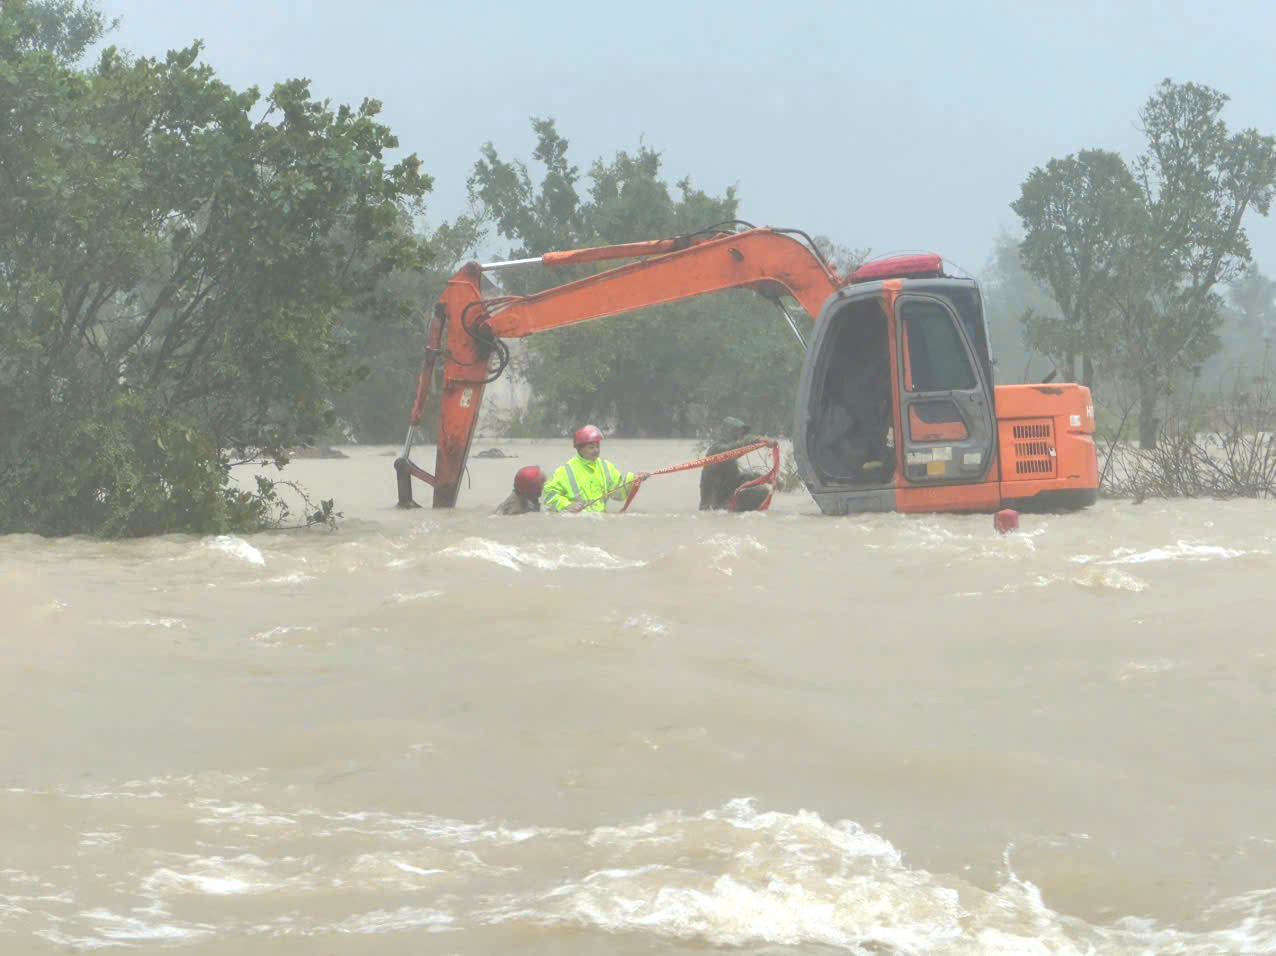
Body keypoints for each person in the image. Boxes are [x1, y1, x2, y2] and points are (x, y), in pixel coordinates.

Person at [542, 425, 648, 513]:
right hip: (576, 523)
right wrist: (568, 505)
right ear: (579, 448)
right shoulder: (565, 471)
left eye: (598, 446)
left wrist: (633, 479)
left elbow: (618, 495)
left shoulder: (607, 467)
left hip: (600, 521)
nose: (596, 450)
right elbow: (548, 496)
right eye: (591, 447)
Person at [699, 417, 770, 512]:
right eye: (737, 433)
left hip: (726, 499)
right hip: (716, 505)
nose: (740, 436)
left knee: (758, 486)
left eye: (741, 434)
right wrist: (753, 440)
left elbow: (738, 478)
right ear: (729, 432)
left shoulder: (729, 452)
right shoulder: (716, 449)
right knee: (761, 492)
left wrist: (766, 478)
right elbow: (730, 450)